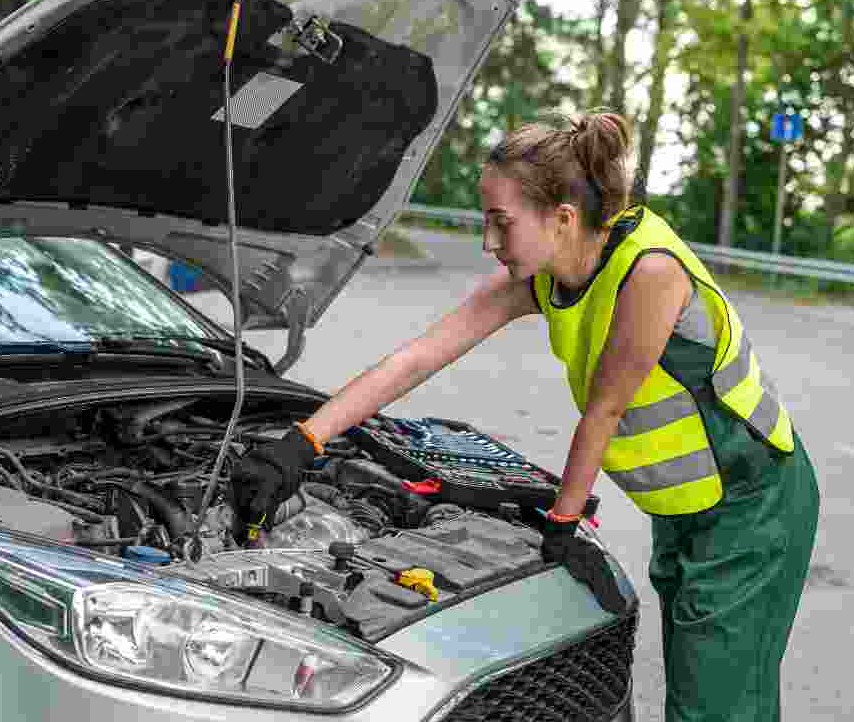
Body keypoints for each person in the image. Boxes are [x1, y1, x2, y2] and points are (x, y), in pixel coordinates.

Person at [231, 110, 821, 721]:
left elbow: (606, 407)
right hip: (688, 507)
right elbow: (415, 359)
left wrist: (562, 527)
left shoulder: (649, 273)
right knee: (714, 693)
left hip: (753, 504)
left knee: (715, 706)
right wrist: (300, 443)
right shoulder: (545, 276)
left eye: (500, 223)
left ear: (562, 218)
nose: (489, 242)